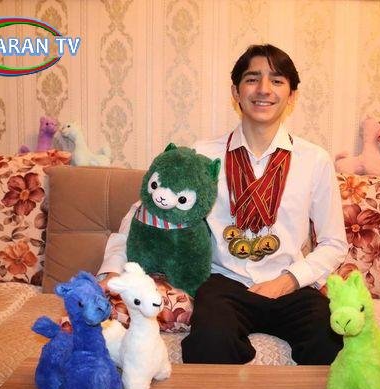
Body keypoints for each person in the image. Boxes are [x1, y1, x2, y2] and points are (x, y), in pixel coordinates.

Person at [98, 44, 348, 365]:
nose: (263, 89)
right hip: (223, 284)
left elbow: (333, 243)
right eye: (252, 79)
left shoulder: (314, 160)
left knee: (331, 343)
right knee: (208, 344)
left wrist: (288, 280)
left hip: (291, 285)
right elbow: (145, 213)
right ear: (236, 92)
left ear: (292, 95)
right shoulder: (204, 155)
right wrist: (111, 269)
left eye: (277, 80)